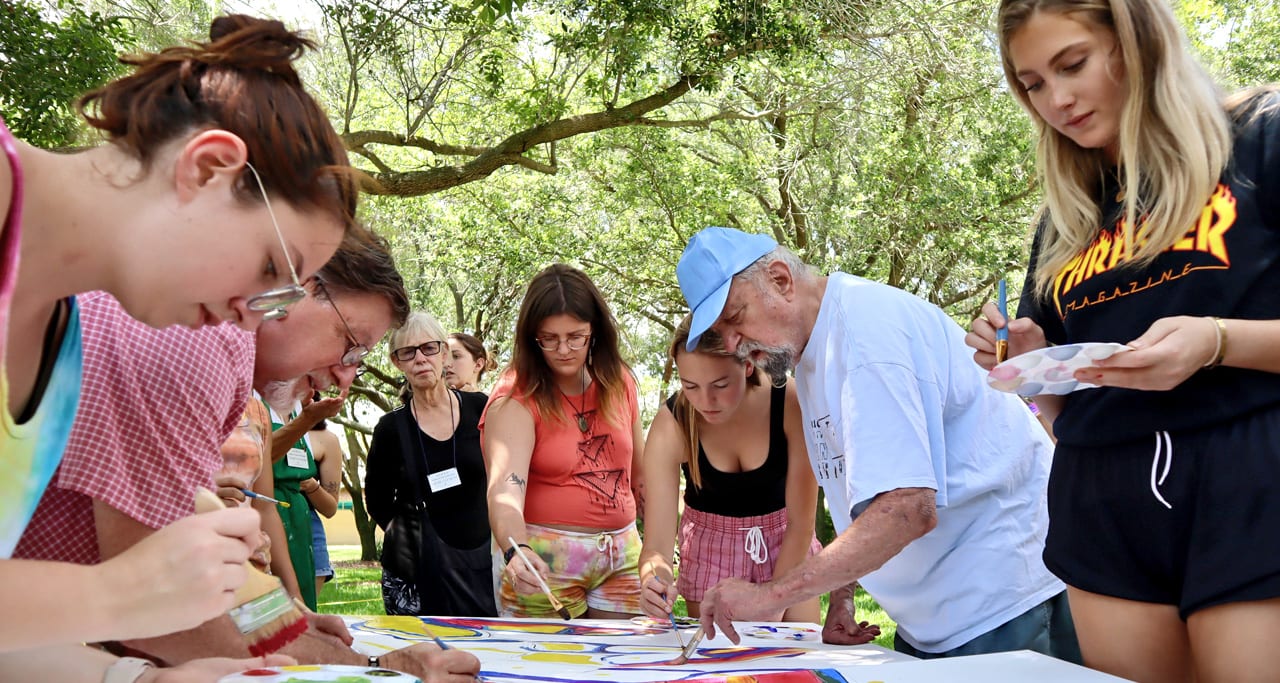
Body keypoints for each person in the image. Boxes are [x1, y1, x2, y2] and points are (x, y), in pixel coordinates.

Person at [0, 11, 357, 678]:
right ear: (209, 167)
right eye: (271, 269)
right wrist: (118, 593)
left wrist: (134, 677)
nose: (249, 320)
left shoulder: (65, 340)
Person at [965, 2, 1280, 680]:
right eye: (1033, 84)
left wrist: (1218, 341)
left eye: (1072, 64)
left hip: (1250, 478)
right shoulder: (1065, 219)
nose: (1056, 100)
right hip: (1101, 497)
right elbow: (1061, 410)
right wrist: (1031, 364)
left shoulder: (1260, 135)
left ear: (1139, 42)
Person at [16, 236, 481, 680]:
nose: (345, 377)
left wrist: (289, 621)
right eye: (350, 345)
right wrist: (373, 669)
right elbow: (163, 608)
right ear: (299, 287)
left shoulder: (224, 359)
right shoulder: (200, 340)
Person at [676, 227, 1079, 662]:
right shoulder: (815, 351)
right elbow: (859, 495)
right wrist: (842, 594)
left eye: (735, 318)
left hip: (1003, 607)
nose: (733, 345)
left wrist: (770, 596)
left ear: (780, 279)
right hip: (940, 621)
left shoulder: (864, 334)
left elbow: (907, 509)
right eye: (720, 331)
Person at [481, 264, 646, 619]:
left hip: (623, 553)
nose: (563, 349)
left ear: (594, 330)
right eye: (549, 339)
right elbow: (505, 491)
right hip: (543, 560)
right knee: (552, 657)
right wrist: (517, 550)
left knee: (628, 654)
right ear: (532, 338)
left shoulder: (620, 382)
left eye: (575, 337)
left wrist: (659, 552)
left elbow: (641, 477)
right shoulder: (516, 397)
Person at [639, 314, 824, 624]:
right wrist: (653, 581)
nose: (705, 401)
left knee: (798, 651)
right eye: (690, 386)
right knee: (723, 657)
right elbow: (656, 547)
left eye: (720, 384)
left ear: (748, 364)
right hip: (710, 552)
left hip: (788, 545)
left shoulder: (789, 401)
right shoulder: (671, 425)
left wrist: (771, 605)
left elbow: (801, 524)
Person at [365, 311, 498, 617]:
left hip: (483, 563)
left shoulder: (481, 408)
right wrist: (407, 539)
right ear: (397, 362)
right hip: (417, 574)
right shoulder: (390, 429)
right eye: (408, 352)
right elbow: (377, 500)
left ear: (443, 354)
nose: (420, 359)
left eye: (429, 348)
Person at [307, 415, 344, 600]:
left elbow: (330, 508)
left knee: (304, 611)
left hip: (308, 531)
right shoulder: (259, 425)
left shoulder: (326, 439)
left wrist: (310, 486)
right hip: (260, 528)